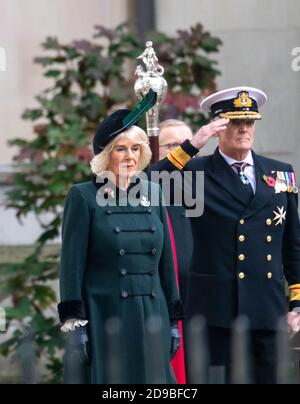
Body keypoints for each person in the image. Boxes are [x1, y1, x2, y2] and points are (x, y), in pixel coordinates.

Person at [150, 86, 300, 384]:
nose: (243, 129)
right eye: (234, 123)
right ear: (218, 128)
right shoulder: (197, 174)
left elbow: (292, 245)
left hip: (266, 308)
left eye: (249, 123)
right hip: (215, 311)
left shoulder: (280, 173)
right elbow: (148, 184)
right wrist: (192, 144)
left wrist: (297, 303)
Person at [57, 91, 183, 384]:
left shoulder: (154, 192)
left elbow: (165, 263)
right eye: (121, 149)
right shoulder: (83, 196)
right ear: (105, 155)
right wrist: (75, 324)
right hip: (106, 317)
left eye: (136, 149)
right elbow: (71, 268)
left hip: (153, 314)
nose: (130, 156)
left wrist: (174, 320)